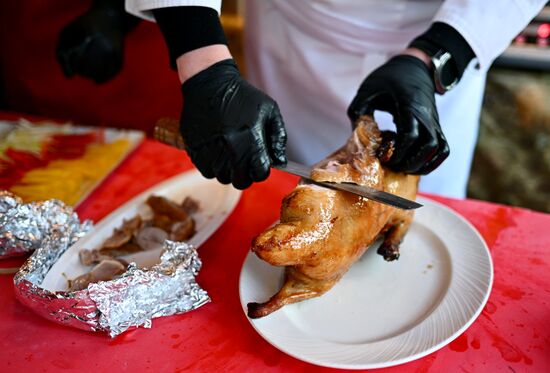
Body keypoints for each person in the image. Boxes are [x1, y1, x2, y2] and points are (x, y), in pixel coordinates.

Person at [124, 0, 547, 196]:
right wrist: (204, 64)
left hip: (438, 43)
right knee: (283, 189)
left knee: (422, 207)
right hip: (290, 28)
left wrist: (438, 53)